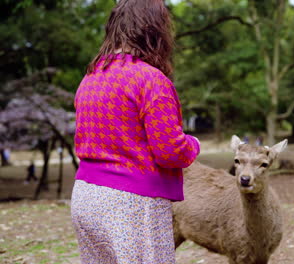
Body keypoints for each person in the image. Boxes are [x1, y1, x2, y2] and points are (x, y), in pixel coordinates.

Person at [70, 1, 200, 263]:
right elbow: (170, 151)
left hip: (85, 196)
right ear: (154, 30)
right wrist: (194, 144)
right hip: (130, 203)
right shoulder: (150, 80)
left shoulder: (91, 78)